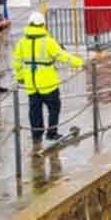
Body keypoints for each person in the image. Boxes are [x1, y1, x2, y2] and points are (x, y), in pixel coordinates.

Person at [13, 12, 83, 143]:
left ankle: (36, 134)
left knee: (34, 109)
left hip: (31, 83)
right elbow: (62, 56)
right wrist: (80, 62)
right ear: (43, 25)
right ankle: (52, 133)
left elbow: (17, 62)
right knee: (54, 107)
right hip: (48, 82)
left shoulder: (22, 42)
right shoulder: (48, 41)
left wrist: (20, 76)